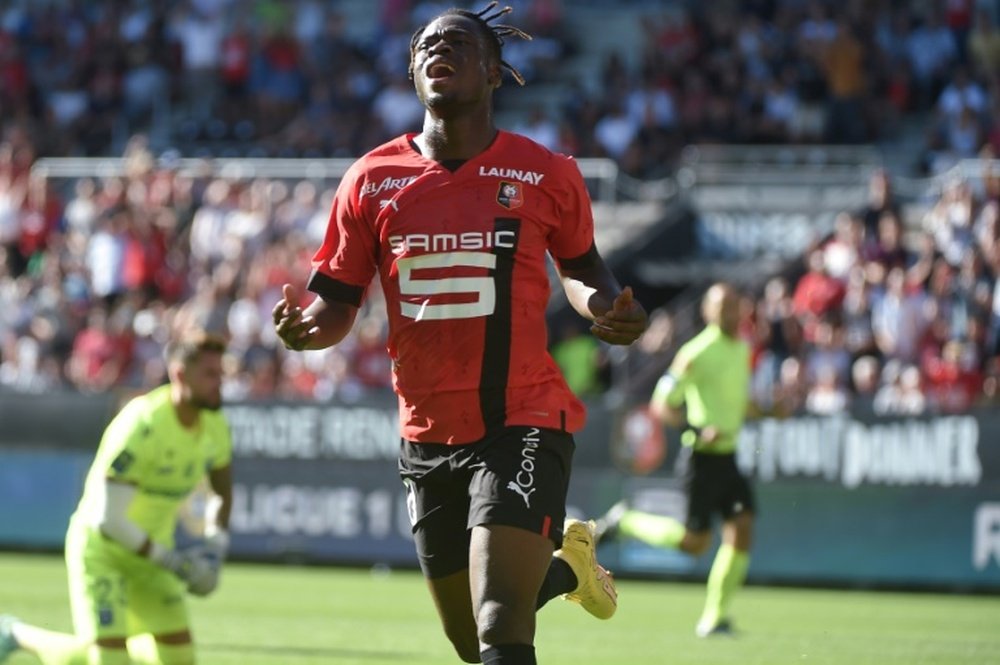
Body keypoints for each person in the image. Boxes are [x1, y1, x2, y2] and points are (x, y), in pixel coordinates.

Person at [272, 3, 647, 663]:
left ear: (496, 71)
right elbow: (335, 302)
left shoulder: (546, 173)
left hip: (524, 416)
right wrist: (308, 330)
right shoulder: (369, 180)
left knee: (501, 621)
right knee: (469, 640)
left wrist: (604, 309)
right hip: (426, 431)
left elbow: (584, 272)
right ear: (413, 73)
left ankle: (547, 574)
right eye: (426, 46)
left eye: (457, 42)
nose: (437, 51)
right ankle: (569, 571)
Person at [0, 329, 234, 665]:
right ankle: (19, 634)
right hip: (103, 552)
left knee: (179, 660)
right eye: (210, 374)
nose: (220, 383)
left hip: (150, 558)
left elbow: (223, 488)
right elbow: (110, 521)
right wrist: (178, 564)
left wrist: (214, 550)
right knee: (110, 660)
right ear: (180, 374)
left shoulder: (214, 424)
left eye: (221, 373)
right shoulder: (142, 425)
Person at [596, 282, 755, 638]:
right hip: (701, 457)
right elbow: (661, 404)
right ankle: (627, 521)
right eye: (724, 306)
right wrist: (697, 430)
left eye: (736, 305)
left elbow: (741, 401)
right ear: (709, 312)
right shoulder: (696, 352)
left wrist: (772, 410)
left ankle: (715, 618)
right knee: (693, 543)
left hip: (728, 456)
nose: (732, 312)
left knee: (742, 528)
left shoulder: (742, 347)